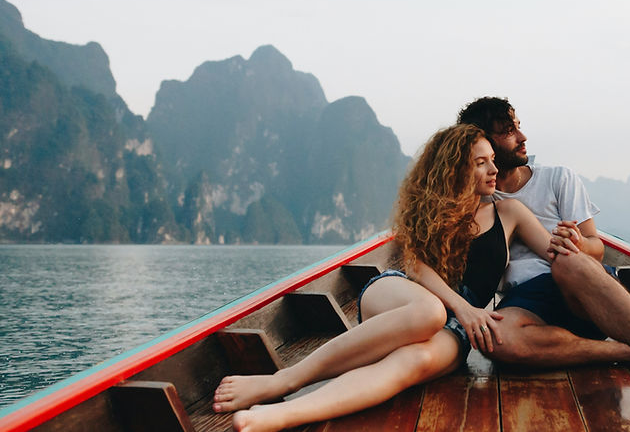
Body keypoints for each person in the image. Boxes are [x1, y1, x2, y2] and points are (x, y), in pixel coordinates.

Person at [212, 124, 573, 432]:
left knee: (411, 363)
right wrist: (463, 308)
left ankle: (282, 415)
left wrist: (577, 241)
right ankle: (282, 381)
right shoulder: (430, 206)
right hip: (402, 295)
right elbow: (415, 266)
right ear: (456, 168)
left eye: (492, 160)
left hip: (459, 331)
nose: (493, 169)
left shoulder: (509, 211)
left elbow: (559, 255)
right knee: (429, 312)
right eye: (481, 162)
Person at [457, 97, 630, 418]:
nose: (522, 137)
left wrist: (577, 244)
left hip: (582, 288)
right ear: (483, 142)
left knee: (566, 260)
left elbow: (596, 246)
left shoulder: (558, 178)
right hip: (528, 304)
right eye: (508, 131)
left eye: (519, 126)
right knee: (496, 340)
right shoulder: (476, 198)